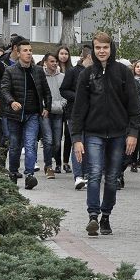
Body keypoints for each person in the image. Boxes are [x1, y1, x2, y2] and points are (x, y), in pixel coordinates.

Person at [70, 31, 140, 237]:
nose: (101, 51)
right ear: (93, 50)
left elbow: (134, 105)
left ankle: (106, 216)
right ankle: (93, 215)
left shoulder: (123, 72)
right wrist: (76, 138)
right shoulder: (86, 74)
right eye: (98, 48)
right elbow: (78, 109)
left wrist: (133, 132)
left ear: (111, 48)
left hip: (119, 134)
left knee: (111, 177)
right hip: (93, 133)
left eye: (105, 47)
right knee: (94, 174)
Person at [0, 39, 51, 189]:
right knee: (15, 146)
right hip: (14, 115)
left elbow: (46, 91)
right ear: (18, 53)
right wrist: (11, 102)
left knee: (30, 144)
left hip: (33, 114)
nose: (28, 53)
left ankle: (29, 175)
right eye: (25, 51)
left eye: (30, 50)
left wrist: (47, 107)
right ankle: (13, 172)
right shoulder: (10, 70)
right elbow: (4, 89)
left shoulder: (38, 71)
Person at [61, 44, 93, 189]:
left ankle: (86, 174)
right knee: (77, 142)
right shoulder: (73, 71)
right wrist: (78, 97)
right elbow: (63, 90)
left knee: (88, 144)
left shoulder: (96, 72)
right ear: (89, 57)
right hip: (74, 113)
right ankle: (79, 176)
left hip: (91, 114)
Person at [40, 52, 67, 179]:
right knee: (48, 140)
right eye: (52, 61)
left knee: (57, 143)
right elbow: (39, 93)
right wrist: (44, 107)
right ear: (45, 62)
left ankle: (50, 158)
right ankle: (49, 166)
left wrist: (61, 105)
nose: (54, 63)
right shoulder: (41, 76)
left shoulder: (62, 76)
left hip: (58, 112)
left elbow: (65, 93)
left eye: (56, 61)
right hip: (46, 112)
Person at [55, 45, 74, 172]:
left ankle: (66, 162)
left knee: (68, 135)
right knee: (57, 136)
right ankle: (57, 162)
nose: (63, 56)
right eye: (61, 53)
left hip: (68, 106)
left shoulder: (71, 70)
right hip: (56, 105)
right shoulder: (53, 68)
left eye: (66, 54)